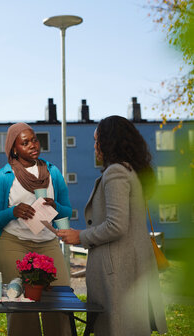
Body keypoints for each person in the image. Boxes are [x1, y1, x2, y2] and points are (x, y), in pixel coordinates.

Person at [57, 116, 167, 336]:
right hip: (129, 264)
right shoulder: (131, 171)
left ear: (109, 143)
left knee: (117, 328)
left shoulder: (116, 173)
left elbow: (116, 225)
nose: (95, 147)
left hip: (117, 271)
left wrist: (80, 236)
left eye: (98, 141)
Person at [0, 122, 72, 336]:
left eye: (34, 139)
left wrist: (55, 206)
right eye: (25, 142)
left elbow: (66, 210)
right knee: (22, 306)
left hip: (47, 244)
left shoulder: (53, 172)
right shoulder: (3, 176)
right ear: (14, 149)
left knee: (59, 300)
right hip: (13, 244)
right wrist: (12, 212)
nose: (33, 145)